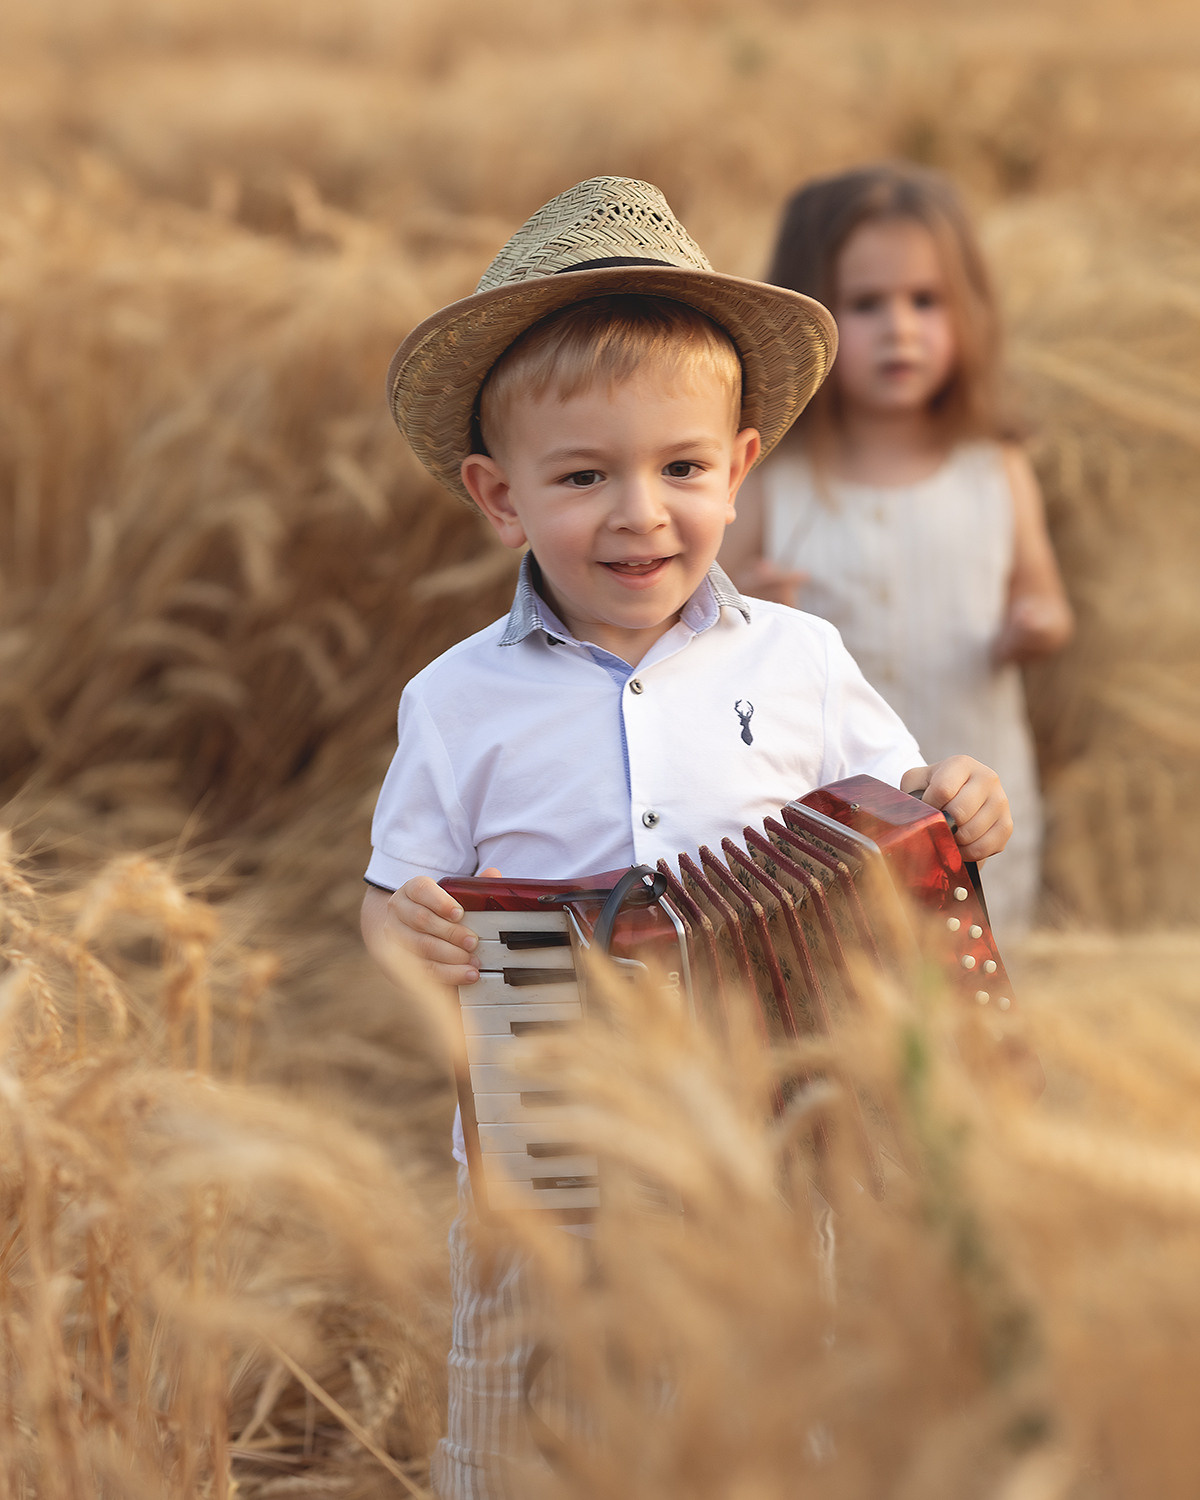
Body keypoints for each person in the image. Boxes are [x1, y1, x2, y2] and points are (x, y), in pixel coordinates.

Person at [359, 175, 1014, 1499]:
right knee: (531, 1397)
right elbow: (392, 903)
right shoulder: (456, 701)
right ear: (500, 497)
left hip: (767, 1127)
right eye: (584, 476)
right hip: (551, 1127)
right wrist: (412, 935)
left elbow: (904, 829)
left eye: (681, 470)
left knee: (774, 1387)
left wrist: (964, 805)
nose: (639, 515)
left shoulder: (804, 659)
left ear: (742, 469)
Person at [720, 163, 1073, 942]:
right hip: (828, 824)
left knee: (978, 991)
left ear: (969, 312)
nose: (901, 329)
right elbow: (710, 615)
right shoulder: (775, 480)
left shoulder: (994, 467)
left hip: (977, 802)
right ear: (811, 320)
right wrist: (752, 607)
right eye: (867, 305)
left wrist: (1034, 623)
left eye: (927, 302)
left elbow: (1041, 597)